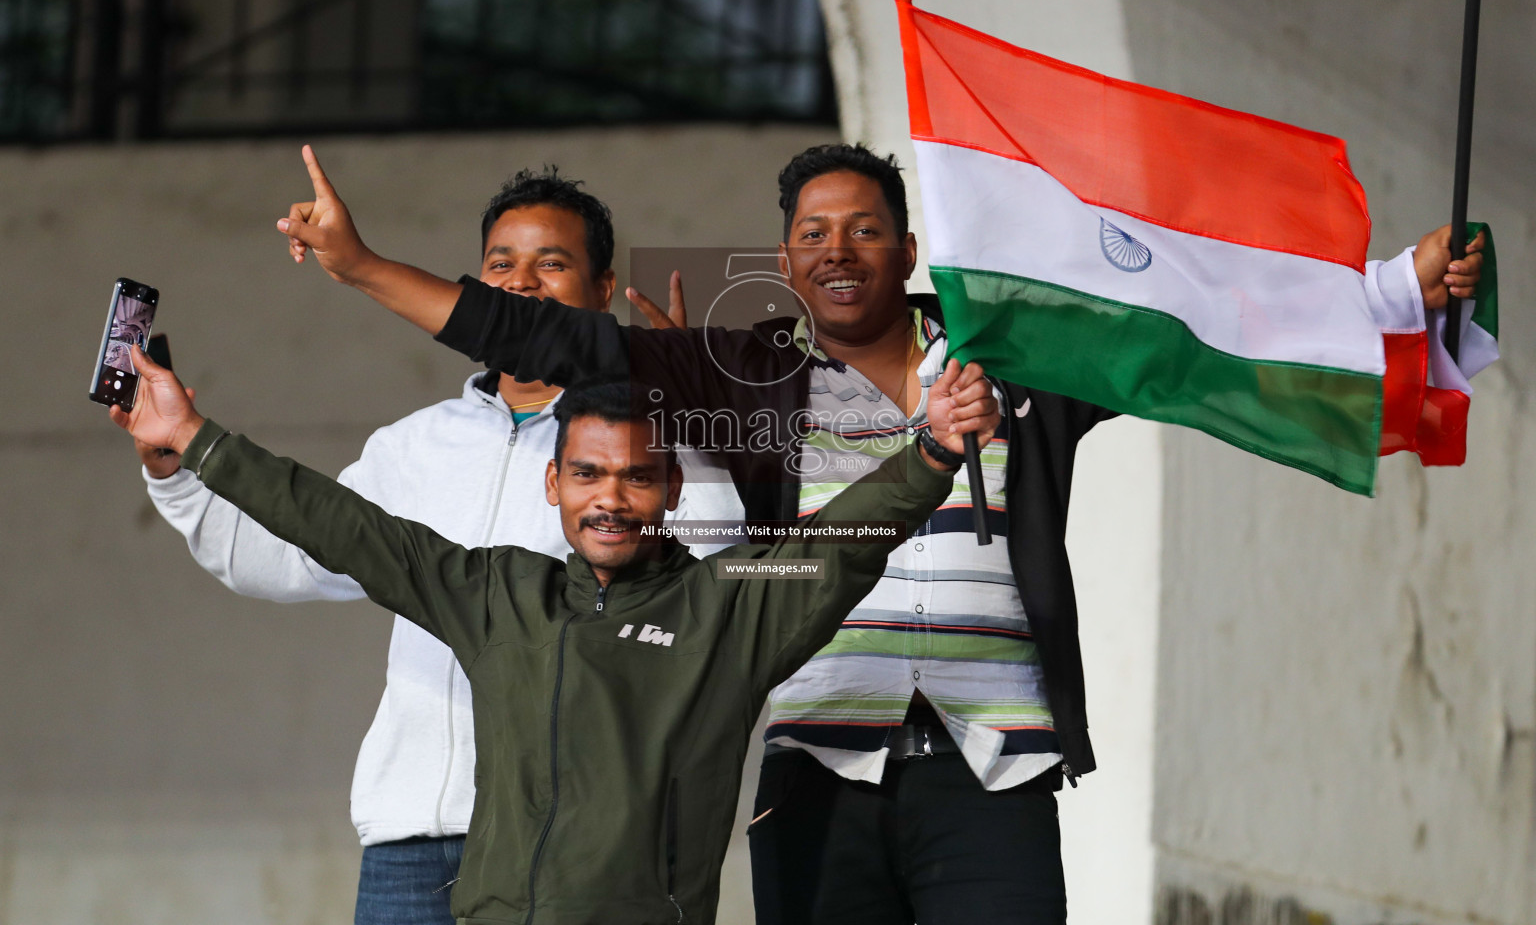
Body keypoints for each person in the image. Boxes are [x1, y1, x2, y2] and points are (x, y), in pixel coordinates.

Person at [271, 142, 1485, 924]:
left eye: (862, 228)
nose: (834, 248)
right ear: (786, 261)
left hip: (992, 762)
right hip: (819, 765)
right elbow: (550, 342)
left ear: (909, 249)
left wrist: (1386, 289)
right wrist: (364, 265)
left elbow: (1183, 334)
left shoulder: (1013, 364)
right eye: (809, 232)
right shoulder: (747, 378)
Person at [111, 345, 1001, 925]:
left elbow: (835, 547)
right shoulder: (500, 591)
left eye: (636, 477)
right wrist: (193, 438)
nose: (609, 497)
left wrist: (929, 455)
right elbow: (348, 527)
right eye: (587, 473)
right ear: (554, 485)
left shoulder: (731, 601)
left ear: (673, 493)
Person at [136, 158, 738, 925]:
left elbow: (723, 579)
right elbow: (283, 559)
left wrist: (681, 411)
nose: (521, 284)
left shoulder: (646, 449)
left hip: (571, 838)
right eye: (500, 266)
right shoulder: (412, 446)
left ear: (604, 289)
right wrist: (177, 474)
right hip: (412, 836)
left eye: (551, 264)